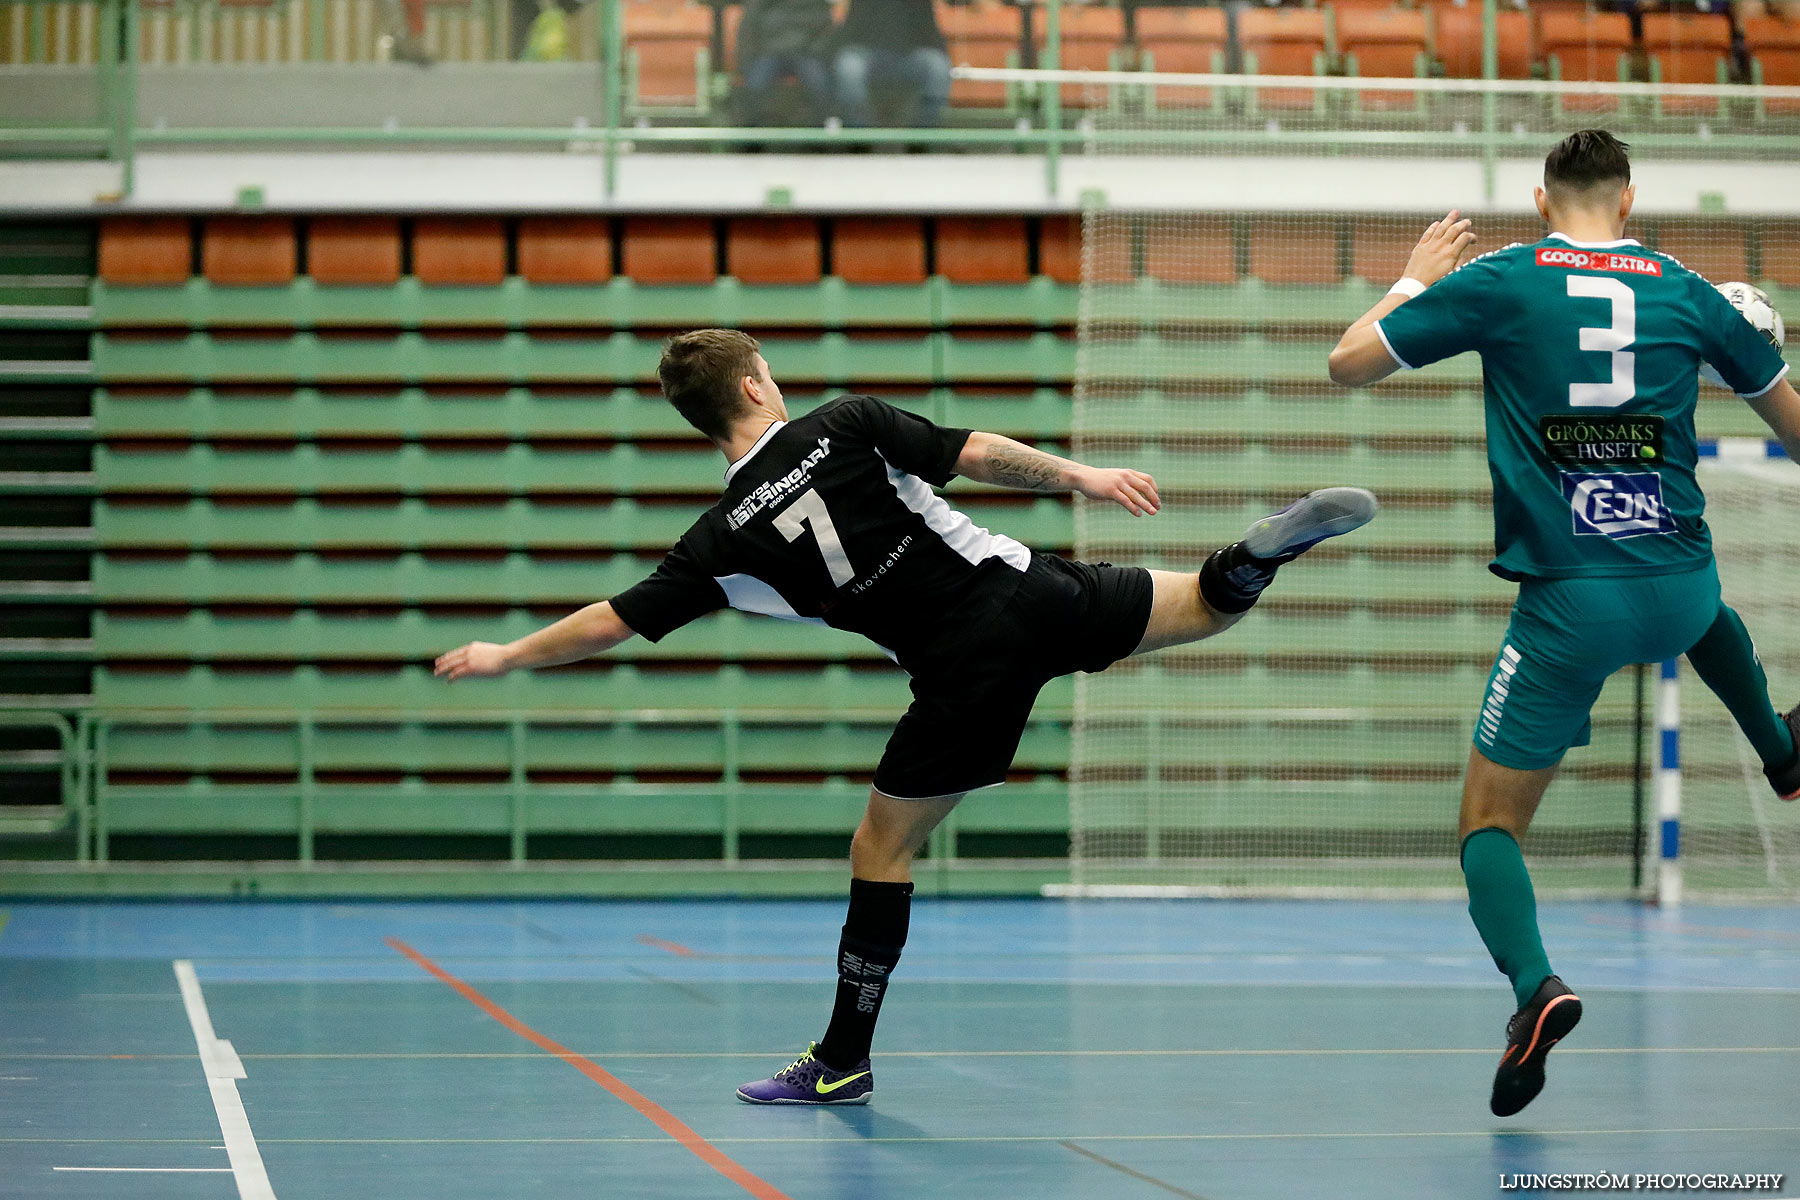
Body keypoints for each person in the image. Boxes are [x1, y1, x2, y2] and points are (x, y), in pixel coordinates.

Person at [435, 328, 1379, 1105]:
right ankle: (1258, 553)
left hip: (963, 676)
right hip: (1032, 591)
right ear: (759, 384)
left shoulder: (720, 541)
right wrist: (1083, 477)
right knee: (1206, 608)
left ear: (699, 423)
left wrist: (507, 653)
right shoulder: (846, 423)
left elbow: (616, 619)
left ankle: (843, 1058)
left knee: (881, 852)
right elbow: (978, 455)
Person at [1328, 129, 1800, 1118]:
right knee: (1702, 608)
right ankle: (1782, 749)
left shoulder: (1505, 278)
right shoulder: (1683, 287)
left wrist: (1413, 281)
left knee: (1487, 824)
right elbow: (1794, 425)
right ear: (1629, 201)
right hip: (1678, 583)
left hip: (1567, 601)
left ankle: (1537, 989)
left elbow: (1348, 365)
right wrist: (1746, 348)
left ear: (1543, 203)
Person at [832, 0, 953, 130]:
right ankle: (860, 138)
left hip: (911, 53)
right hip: (866, 51)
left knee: (938, 66)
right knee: (849, 67)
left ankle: (921, 138)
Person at [736, 0, 839, 126]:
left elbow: (826, 28)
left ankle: (823, 134)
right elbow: (749, 24)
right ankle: (749, 136)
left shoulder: (817, 4)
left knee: (820, 84)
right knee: (754, 85)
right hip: (769, 51)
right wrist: (744, 63)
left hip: (807, 51)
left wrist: (817, 52)